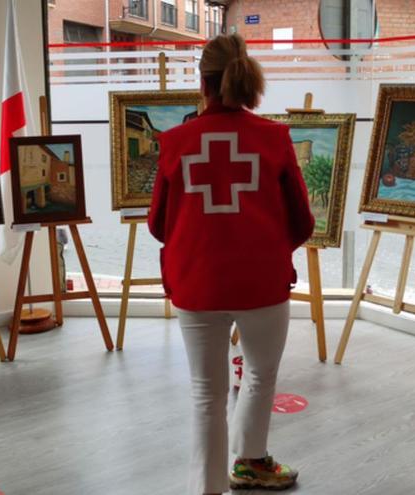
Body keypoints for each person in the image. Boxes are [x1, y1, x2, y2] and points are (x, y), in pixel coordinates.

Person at [147, 33, 314, 495]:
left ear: (202, 82)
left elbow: (159, 225)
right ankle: (251, 463)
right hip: (262, 282)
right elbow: (302, 221)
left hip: (196, 283)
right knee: (260, 375)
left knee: (207, 394)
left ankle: (208, 489)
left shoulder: (175, 142)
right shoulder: (275, 138)